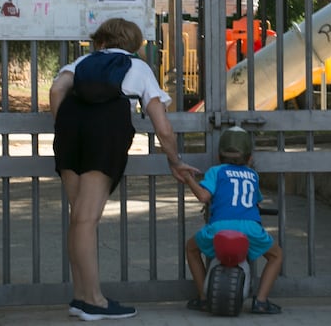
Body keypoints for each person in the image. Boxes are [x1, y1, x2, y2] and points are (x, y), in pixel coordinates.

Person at [49, 18, 200, 321]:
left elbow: (56, 90)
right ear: (134, 45)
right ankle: (94, 301)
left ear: (101, 42)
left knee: (78, 217)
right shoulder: (138, 67)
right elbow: (162, 125)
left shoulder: (82, 61)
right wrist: (174, 159)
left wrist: (64, 126)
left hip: (70, 129)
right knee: (86, 220)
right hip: (106, 133)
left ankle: (80, 297)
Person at [183, 126, 283, 315]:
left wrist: (189, 180)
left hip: (219, 227)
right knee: (276, 255)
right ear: (250, 159)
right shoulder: (252, 175)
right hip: (251, 228)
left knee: (191, 248)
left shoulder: (216, 171)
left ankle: (203, 299)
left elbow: (204, 197)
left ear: (219, 157)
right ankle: (261, 301)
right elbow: (256, 201)